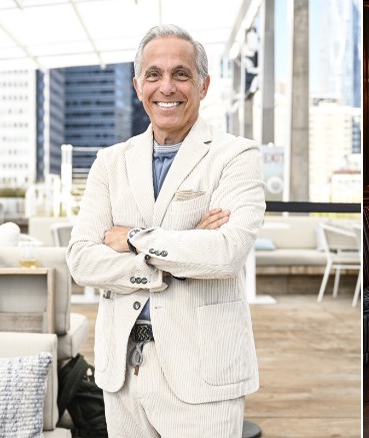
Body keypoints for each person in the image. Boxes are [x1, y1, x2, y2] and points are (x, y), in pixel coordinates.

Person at [66, 24, 265, 437]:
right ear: (138, 84)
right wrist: (175, 258)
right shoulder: (109, 162)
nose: (166, 87)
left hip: (203, 371)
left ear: (204, 84)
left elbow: (226, 252)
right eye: (154, 75)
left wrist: (135, 237)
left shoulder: (236, 156)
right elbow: (81, 259)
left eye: (181, 74)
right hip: (121, 370)